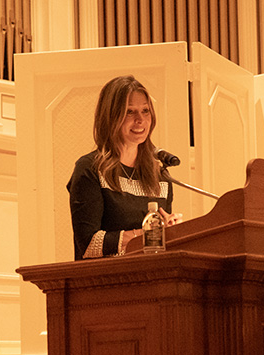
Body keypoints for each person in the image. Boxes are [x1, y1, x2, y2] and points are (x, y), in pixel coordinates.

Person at [68, 75, 181, 260]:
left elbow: (159, 246)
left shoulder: (160, 175)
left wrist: (171, 231)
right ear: (111, 117)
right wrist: (147, 235)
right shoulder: (90, 169)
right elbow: (89, 245)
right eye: (130, 112)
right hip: (106, 281)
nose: (140, 119)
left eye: (145, 111)